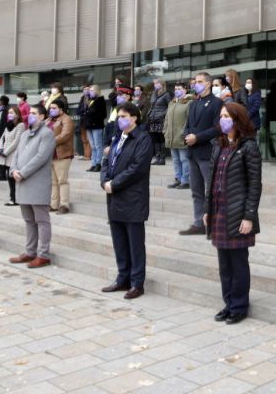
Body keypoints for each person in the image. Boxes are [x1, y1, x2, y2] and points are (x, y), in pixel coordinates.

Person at [203, 103, 262, 325]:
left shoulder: (249, 147)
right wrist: (207, 211)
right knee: (224, 265)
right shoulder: (219, 145)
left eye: (226, 116)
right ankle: (228, 303)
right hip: (218, 212)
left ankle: (239, 306)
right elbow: (212, 181)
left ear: (237, 119)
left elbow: (255, 185)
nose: (222, 120)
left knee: (238, 264)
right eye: (221, 116)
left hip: (237, 213)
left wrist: (248, 216)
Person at [100, 102, 153, 300]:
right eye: (118, 116)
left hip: (132, 198)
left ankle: (137, 282)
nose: (119, 119)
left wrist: (115, 183)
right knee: (119, 242)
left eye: (123, 116)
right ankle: (122, 278)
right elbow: (107, 161)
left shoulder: (142, 138)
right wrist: (105, 180)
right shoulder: (117, 137)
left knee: (135, 243)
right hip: (114, 198)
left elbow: (138, 168)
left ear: (134, 118)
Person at [9, 105, 57, 268]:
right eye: (29, 113)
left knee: (42, 220)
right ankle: (30, 252)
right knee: (29, 220)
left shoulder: (47, 134)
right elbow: (15, 155)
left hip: (37, 183)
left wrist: (23, 172)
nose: (30, 116)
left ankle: (43, 254)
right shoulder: (24, 135)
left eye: (34, 113)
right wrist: (14, 169)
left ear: (43, 117)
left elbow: (41, 157)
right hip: (22, 182)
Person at [179, 72, 223, 235]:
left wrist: (197, 137)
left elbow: (218, 128)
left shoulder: (217, 103)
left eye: (199, 81)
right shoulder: (193, 104)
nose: (195, 84)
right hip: (192, 153)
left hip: (206, 153)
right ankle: (199, 223)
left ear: (208, 83)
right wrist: (187, 135)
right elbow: (188, 125)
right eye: (195, 81)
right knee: (196, 191)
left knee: (210, 190)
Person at [47, 99, 75, 214]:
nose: (51, 110)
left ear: (61, 109)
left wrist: (49, 141)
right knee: (53, 182)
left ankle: (64, 205)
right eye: (51, 108)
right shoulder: (49, 119)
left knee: (62, 181)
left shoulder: (67, 119)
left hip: (62, 154)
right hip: (50, 155)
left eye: (54, 108)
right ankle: (54, 204)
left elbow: (65, 135)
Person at [164, 83, 193, 189]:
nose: (176, 91)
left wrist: (184, 132)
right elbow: (167, 118)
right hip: (171, 136)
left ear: (185, 90)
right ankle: (178, 178)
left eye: (179, 89)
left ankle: (186, 180)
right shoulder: (172, 103)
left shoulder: (189, 103)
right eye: (175, 89)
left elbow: (189, 120)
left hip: (181, 137)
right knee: (175, 159)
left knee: (184, 159)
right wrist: (165, 131)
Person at [0, 105, 26, 206]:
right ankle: (12, 198)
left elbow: (16, 141)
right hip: (5, 155)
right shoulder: (9, 125)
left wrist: (6, 151)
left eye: (12, 112)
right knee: (9, 177)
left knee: (13, 177)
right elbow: (3, 137)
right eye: (9, 113)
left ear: (17, 114)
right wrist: (0, 149)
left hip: (13, 155)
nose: (9, 114)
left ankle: (15, 198)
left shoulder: (21, 125)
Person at [80, 84, 107, 172]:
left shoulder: (100, 100)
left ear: (96, 91)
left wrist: (92, 116)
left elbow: (103, 114)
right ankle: (93, 163)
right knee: (93, 146)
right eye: (89, 90)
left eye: (92, 90)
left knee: (98, 145)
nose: (89, 92)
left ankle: (98, 164)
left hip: (97, 125)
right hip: (89, 126)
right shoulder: (90, 100)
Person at [147, 78, 172, 165]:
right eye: (154, 83)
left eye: (157, 83)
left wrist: (163, 115)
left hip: (161, 120)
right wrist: (149, 114)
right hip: (153, 120)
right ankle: (157, 158)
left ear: (162, 84)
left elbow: (170, 106)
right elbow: (152, 106)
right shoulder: (154, 94)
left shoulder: (166, 94)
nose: (155, 85)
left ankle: (162, 158)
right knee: (155, 140)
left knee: (161, 139)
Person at [104, 85, 133, 150]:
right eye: (118, 95)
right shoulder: (118, 107)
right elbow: (111, 123)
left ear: (128, 97)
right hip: (113, 136)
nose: (118, 97)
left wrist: (115, 137)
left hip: (122, 140)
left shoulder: (131, 109)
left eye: (120, 95)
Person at [74, 85, 93, 162]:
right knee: (84, 139)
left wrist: (84, 111)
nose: (85, 90)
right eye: (84, 89)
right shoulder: (82, 98)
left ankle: (88, 155)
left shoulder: (92, 98)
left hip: (88, 122)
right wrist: (83, 111)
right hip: (82, 121)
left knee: (88, 140)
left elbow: (88, 110)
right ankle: (85, 155)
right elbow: (79, 110)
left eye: (87, 89)